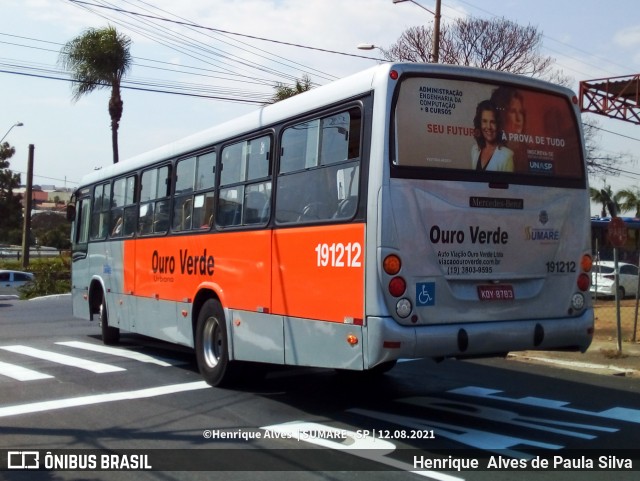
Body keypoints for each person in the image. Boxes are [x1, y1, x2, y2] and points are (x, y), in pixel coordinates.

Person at [471, 100, 514, 172]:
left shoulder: (507, 156)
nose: (488, 127)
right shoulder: (474, 150)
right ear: (479, 124)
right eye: (484, 121)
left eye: (493, 122)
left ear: (498, 125)